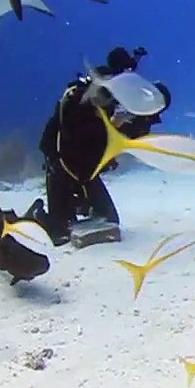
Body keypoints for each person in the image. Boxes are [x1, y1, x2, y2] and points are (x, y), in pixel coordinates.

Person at [33, 46, 170, 246]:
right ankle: (37, 214)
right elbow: (73, 134)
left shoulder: (123, 105)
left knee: (110, 221)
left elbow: (129, 138)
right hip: (62, 166)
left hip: (89, 170)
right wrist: (111, 123)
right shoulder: (78, 97)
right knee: (60, 234)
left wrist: (140, 117)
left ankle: (81, 204)